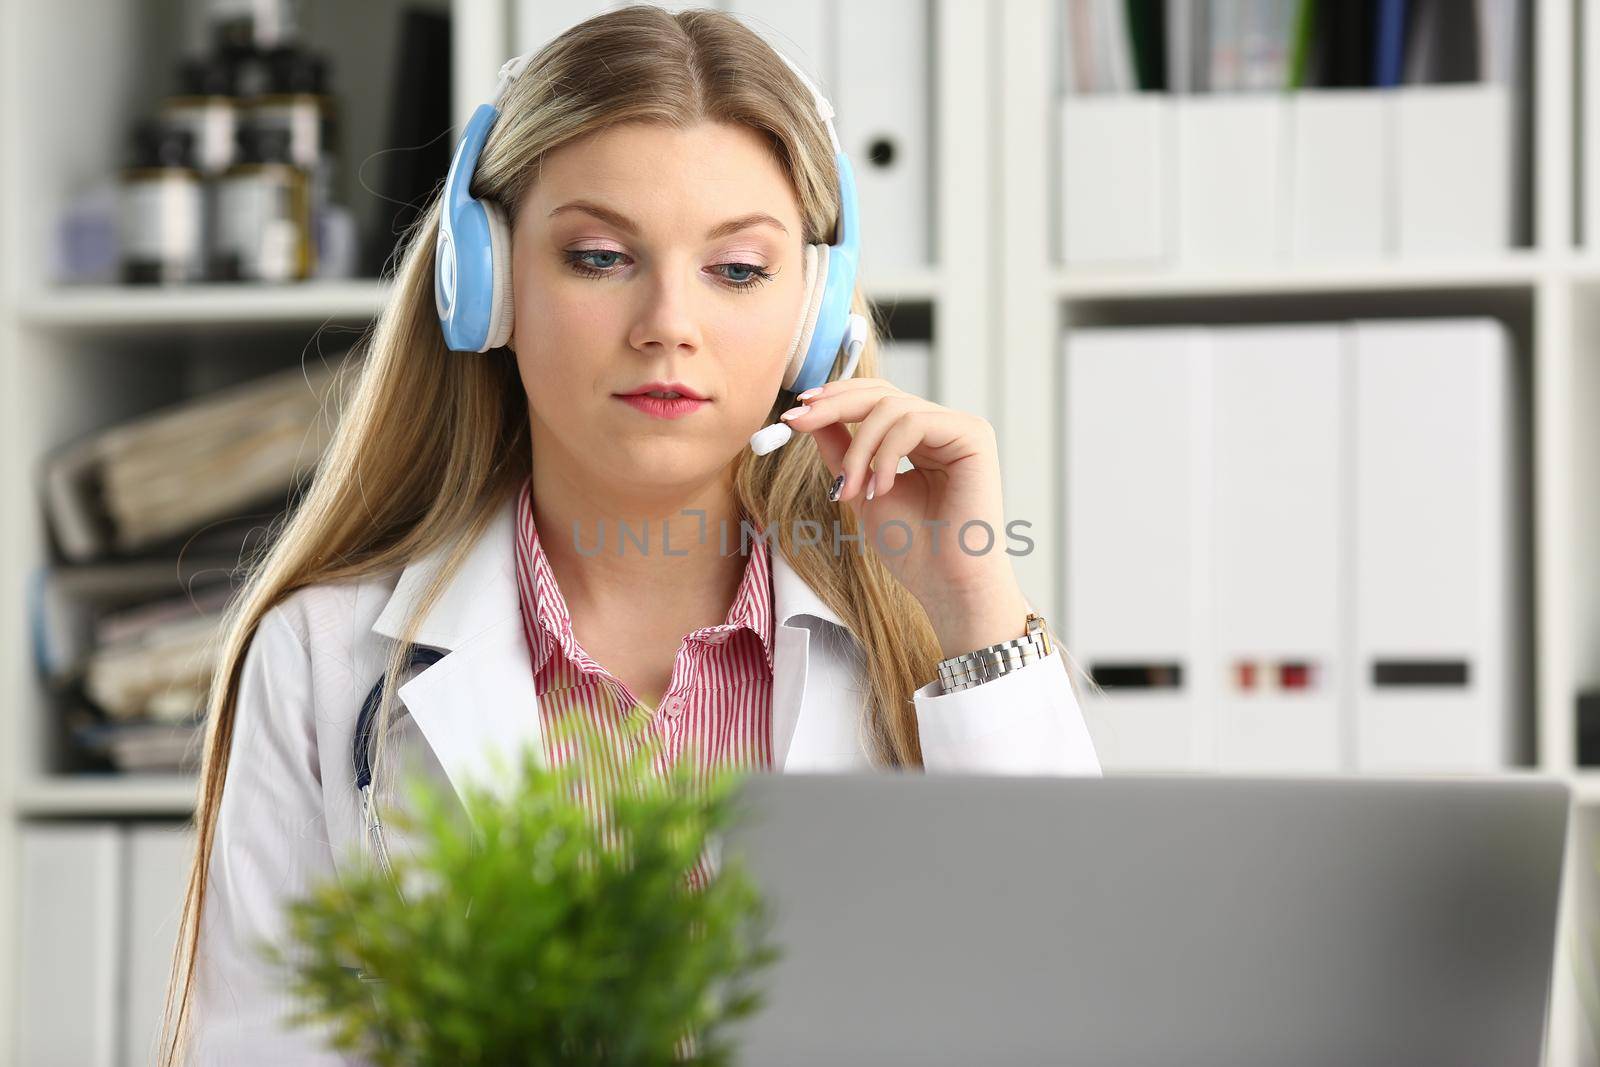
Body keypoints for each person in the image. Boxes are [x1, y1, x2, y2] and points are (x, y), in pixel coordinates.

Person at [158, 6, 1102, 1064]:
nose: (668, 322)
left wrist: (972, 609)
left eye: (738, 270)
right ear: (488, 281)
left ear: (815, 313)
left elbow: (1068, 1004)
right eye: (600, 257)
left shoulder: (925, 642)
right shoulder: (319, 658)